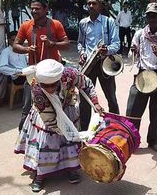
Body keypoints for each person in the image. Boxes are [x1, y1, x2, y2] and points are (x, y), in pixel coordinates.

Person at [14, 59, 104, 192]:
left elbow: (88, 84)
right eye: (46, 86)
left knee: (70, 143)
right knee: (45, 143)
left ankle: (71, 169)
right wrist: (71, 133)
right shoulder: (37, 89)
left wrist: (95, 103)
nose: (50, 89)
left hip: (67, 110)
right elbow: (50, 121)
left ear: (59, 79)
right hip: (46, 118)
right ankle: (40, 175)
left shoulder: (70, 75)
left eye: (53, 85)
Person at [13, 0, 70, 129]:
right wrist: (27, 49)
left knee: (58, 106)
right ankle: (23, 138)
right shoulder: (25, 25)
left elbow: (66, 44)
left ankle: (58, 136)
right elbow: (15, 46)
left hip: (53, 75)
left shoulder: (56, 24)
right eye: (32, 8)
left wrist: (52, 43)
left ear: (46, 9)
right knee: (27, 108)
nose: (33, 11)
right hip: (34, 73)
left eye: (37, 8)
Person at [126, 3, 157, 152]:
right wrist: (133, 52)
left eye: (154, 15)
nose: (151, 18)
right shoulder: (140, 34)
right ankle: (131, 139)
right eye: (149, 15)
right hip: (142, 75)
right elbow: (130, 55)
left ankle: (153, 139)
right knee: (133, 110)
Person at [77, 0, 120, 130]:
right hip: (89, 65)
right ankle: (84, 131)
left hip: (104, 65)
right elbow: (80, 43)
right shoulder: (83, 23)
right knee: (85, 99)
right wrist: (82, 53)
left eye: (94, 3)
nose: (90, 6)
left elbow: (116, 44)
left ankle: (115, 127)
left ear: (100, 6)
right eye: (89, 3)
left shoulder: (109, 22)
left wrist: (106, 50)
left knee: (111, 98)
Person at [0, 31, 30, 118]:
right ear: (9, 40)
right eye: (13, 40)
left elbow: (26, 62)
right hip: (17, 76)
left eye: (19, 40)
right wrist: (16, 71)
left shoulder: (21, 49)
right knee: (33, 81)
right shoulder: (6, 52)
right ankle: (28, 105)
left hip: (25, 73)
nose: (16, 42)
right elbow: (1, 67)